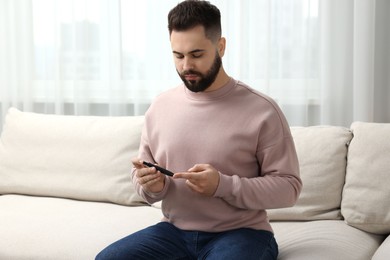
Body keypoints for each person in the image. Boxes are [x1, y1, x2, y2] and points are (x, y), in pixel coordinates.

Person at [96, 0, 302, 259]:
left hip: (242, 233)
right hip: (173, 232)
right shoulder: (160, 107)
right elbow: (144, 185)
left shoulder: (262, 110)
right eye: (178, 55)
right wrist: (152, 186)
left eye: (196, 55)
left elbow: (289, 188)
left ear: (221, 46)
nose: (186, 67)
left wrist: (222, 185)